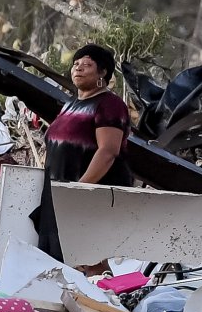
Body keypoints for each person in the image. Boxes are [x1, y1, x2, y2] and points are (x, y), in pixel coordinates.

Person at [31, 44, 132, 263]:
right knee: (57, 260)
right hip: (58, 193)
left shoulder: (110, 104)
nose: (78, 68)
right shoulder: (70, 105)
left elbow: (108, 151)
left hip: (88, 195)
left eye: (87, 65)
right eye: (75, 64)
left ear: (102, 73)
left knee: (89, 261)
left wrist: (80, 188)